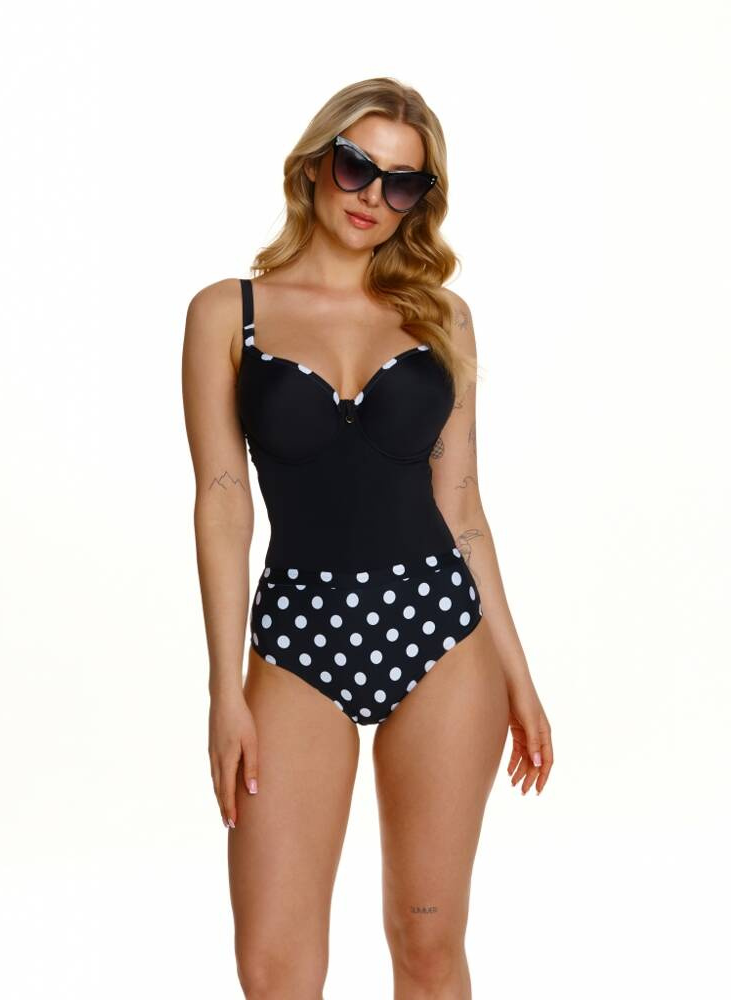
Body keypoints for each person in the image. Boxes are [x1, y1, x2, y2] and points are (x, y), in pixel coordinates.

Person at [182, 77, 553, 999]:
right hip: (297, 640)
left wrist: (517, 674)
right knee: (274, 969)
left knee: (428, 947)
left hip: (443, 639)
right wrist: (225, 688)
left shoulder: (442, 317)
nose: (372, 197)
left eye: (403, 183)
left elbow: (463, 507)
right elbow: (223, 502)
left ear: (420, 201)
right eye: (357, 166)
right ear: (316, 165)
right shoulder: (227, 313)